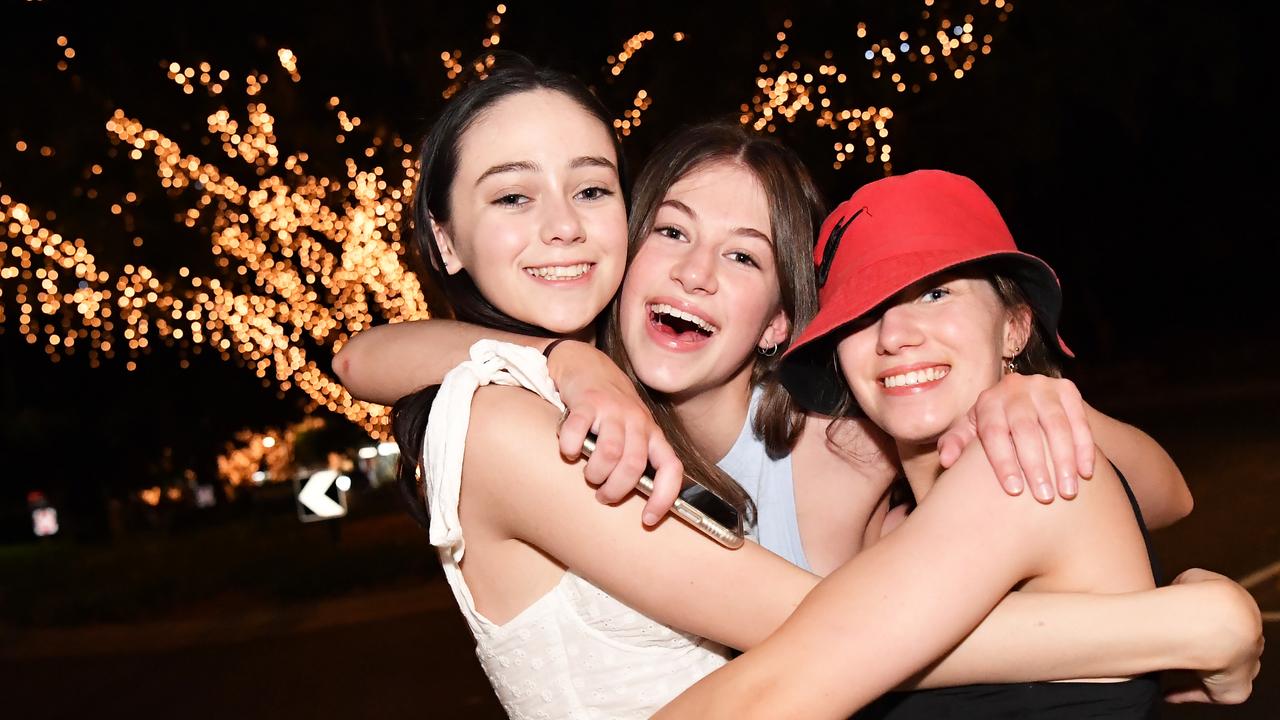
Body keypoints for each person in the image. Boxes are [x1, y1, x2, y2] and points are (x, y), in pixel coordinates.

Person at [335, 64, 1260, 717]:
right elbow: (360, 356)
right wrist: (1173, 628)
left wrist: (1025, 395)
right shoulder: (550, 419)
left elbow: (1156, 493)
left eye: (742, 256)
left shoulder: (829, 437)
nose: (696, 273)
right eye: (673, 233)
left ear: (783, 323)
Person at [654, 169, 1265, 718]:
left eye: (936, 293)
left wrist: (1042, 391)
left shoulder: (1012, 480)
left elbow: (766, 699)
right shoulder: (904, 528)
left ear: (1016, 327)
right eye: (862, 314)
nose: (894, 334)